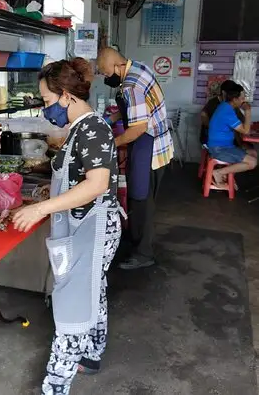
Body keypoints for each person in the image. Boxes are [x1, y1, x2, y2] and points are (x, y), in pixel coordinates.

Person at [13, 58, 121, 394]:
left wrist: (42, 208)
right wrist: (52, 192)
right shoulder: (78, 129)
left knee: (73, 307)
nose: (46, 110)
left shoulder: (93, 129)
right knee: (92, 289)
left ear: (66, 97)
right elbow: (76, 178)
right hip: (80, 224)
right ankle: (91, 354)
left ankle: (54, 386)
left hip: (93, 227)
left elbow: (97, 184)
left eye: (47, 101)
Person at [97, 47, 173, 270]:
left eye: (105, 72)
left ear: (116, 67)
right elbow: (134, 108)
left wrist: (110, 143)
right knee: (139, 198)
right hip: (157, 142)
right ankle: (135, 239)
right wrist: (111, 118)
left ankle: (144, 253)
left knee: (142, 200)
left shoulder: (130, 86)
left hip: (148, 146)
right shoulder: (138, 68)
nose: (105, 77)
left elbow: (138, 128)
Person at [207, 84, 257, 186]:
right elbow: (245, 130)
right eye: (242, 98)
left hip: (225, 146)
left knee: (253, 153)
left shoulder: (226, 106)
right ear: (234, 99)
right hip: (219, 149)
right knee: (252, 162)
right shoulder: (227, 111)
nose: (244, 101)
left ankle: (227, 175)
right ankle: (218, 173)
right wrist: (247, 111)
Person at [200, 79, 248, 148]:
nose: (233, 96)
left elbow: (241, 119)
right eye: (231, 93)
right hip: (214, 140)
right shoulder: (213, 103)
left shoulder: (232, 104)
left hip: (227, 138)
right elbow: (203, 115)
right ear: (223, 92)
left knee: (247, 147)